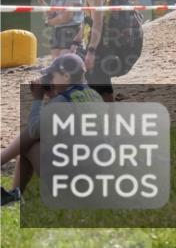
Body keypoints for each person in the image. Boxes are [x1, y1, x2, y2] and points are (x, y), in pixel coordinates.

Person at [0, 53, 102, 205]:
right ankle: (13, 195)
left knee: (29, 145)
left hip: (76, 178)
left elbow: (35, 130)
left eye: (52, 75)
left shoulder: (63, 101)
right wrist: (54, 96)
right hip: (97, 173)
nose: (50, 79)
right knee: (35, 140)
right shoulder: (92, 95)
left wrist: (38, 98)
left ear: (66, 76)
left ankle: (9, 184)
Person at [78, 0, 115, 102]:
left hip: (98, 44)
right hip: (103, 40)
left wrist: (91, 51)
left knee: (98, 86)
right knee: (104, 85)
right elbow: (88, 20)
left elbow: (97, 23)